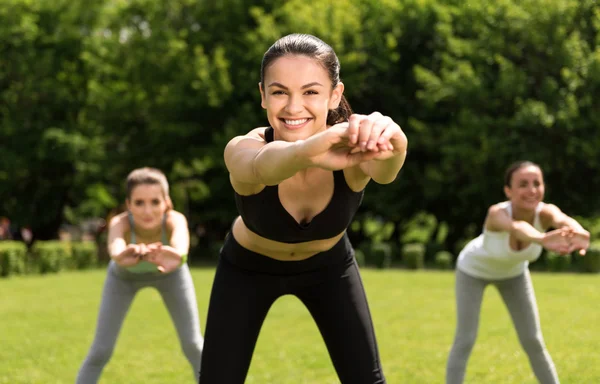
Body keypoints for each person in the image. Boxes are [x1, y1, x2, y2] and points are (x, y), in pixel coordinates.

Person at [198, 33, 408, 384]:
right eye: (280, 92)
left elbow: (385, 173)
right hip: (246, 269)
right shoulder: (242, 148)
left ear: (334, 95)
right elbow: (264, 166)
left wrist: (396, 143)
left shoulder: (353, 150)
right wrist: (311, 148)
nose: (294, 107)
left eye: (310, 92)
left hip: (330, 268)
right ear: (263, 96)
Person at [446, 160, 590, 384]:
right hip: (472, 271)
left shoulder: (546, 213)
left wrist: (580, 232)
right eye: (523, 184)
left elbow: (563, 220)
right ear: (508, 191)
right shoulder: (497, 214)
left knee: (533, 340)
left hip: (514, 275)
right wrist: (542, 239)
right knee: (465, 339)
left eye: (537, 183)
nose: (532, 190)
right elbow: (516, 228)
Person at [77, 167, 204, 383]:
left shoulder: (175, 219)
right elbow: (115, 246)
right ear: (128, 204)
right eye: (139, 202)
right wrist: (122, 255)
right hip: (123, 278)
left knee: (193, 345)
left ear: (167, 202)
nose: (147, 211)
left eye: (155, 202)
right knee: (101, 350)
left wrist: (176, 255)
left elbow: (181, 244)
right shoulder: (120, 222)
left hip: (171, 276)